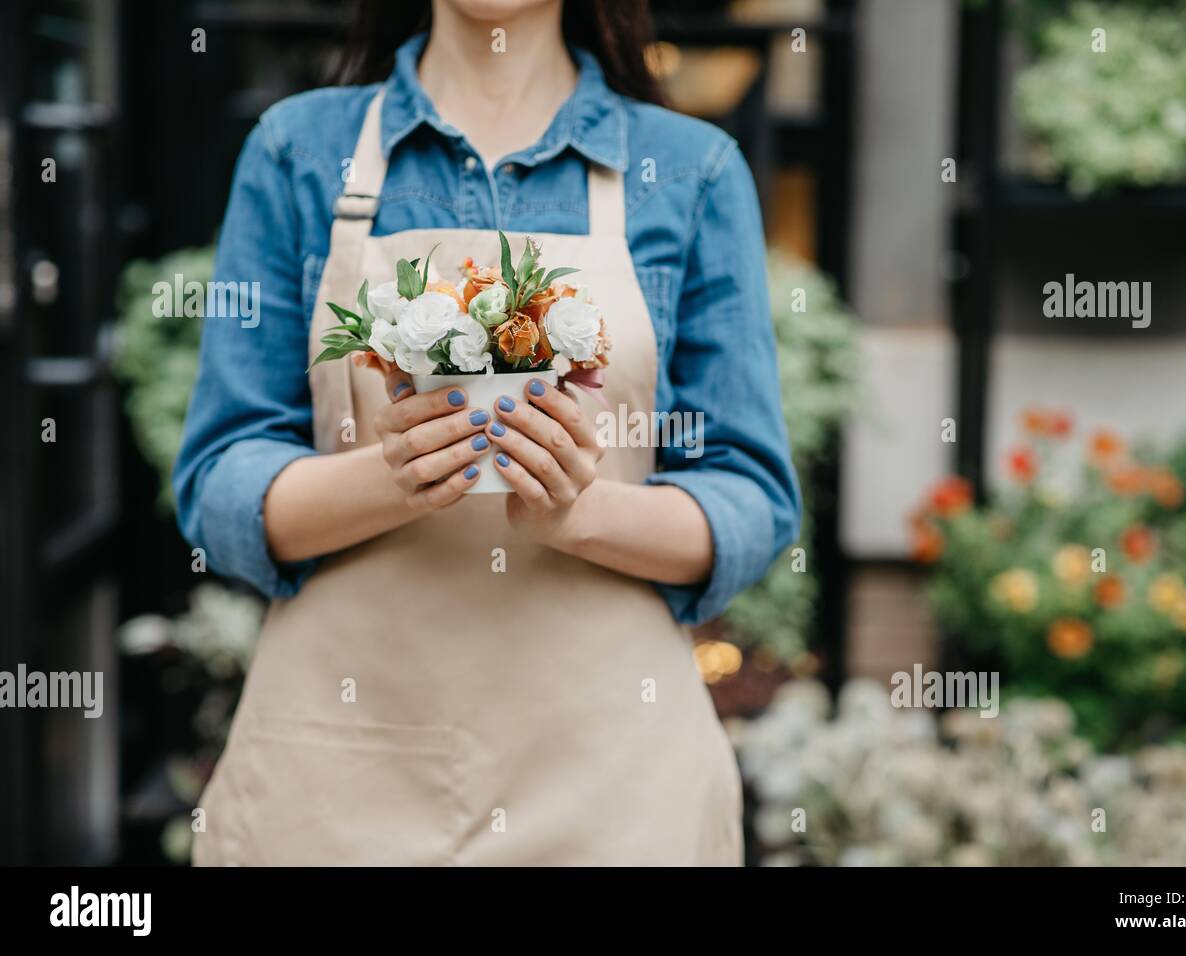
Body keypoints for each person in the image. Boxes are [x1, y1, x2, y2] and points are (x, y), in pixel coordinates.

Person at [174, 0, 799, 865]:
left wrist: (575, 514)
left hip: (613, 791)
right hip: (339, 776)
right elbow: (219, 480)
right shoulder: (298, 151)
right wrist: (389, 475)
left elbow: (749, 497)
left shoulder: (689, 169)